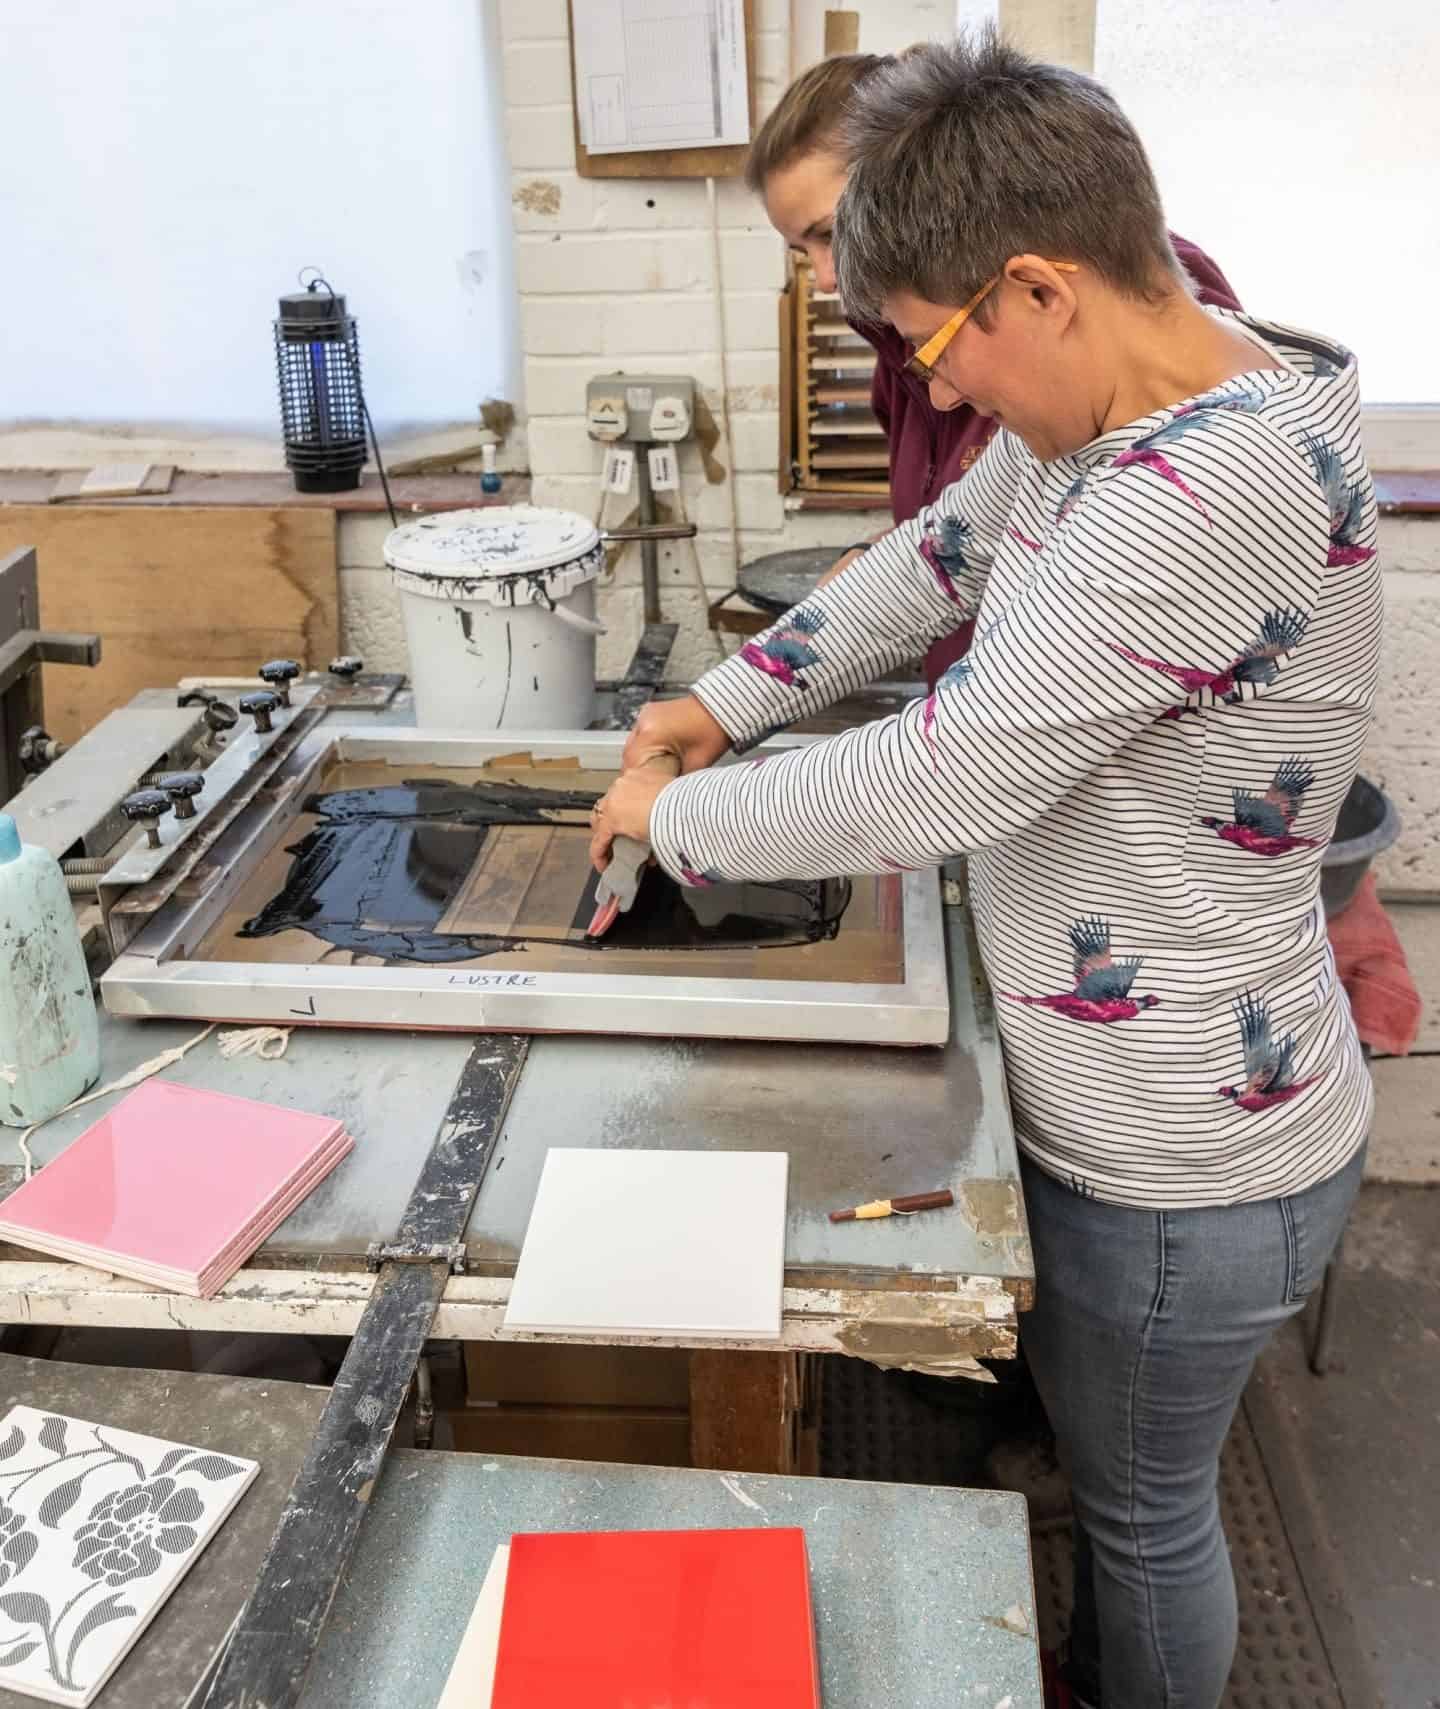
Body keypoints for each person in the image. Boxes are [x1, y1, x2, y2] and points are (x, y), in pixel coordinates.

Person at [591, 31, 1381, 1709]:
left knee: (1145, 1513)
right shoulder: (1141, 402)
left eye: (937, 348)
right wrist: (721, 703)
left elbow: (941, 776)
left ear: (1040, 286)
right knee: (1119, 1494)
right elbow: (928, 559)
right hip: (1141, 1078)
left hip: (1184, 1150)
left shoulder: (1202, 485)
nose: (934, 395)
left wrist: (673, 817)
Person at [745, 51, 1242, 689]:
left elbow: (1124, 562)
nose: (827, 279)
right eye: (801, 250)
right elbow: (956, 537)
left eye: (835, 232)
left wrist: (680, 795)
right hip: (980, 708)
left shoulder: (1143, 331)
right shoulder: (912, 347)